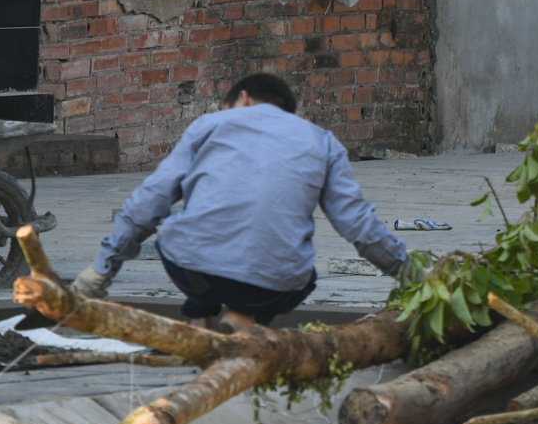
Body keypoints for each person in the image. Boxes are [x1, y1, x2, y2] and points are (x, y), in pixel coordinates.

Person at [70, 73, 408, 328]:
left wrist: (101, 269)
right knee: (305, 274)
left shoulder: (210, 124)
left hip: (193, 272)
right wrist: (408, 274)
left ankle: (209, 318)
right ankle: (241, 320)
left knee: (174, 234)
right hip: (274, 287)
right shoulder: (322, 142)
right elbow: (358, 224)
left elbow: (150, 201)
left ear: (242, 99)